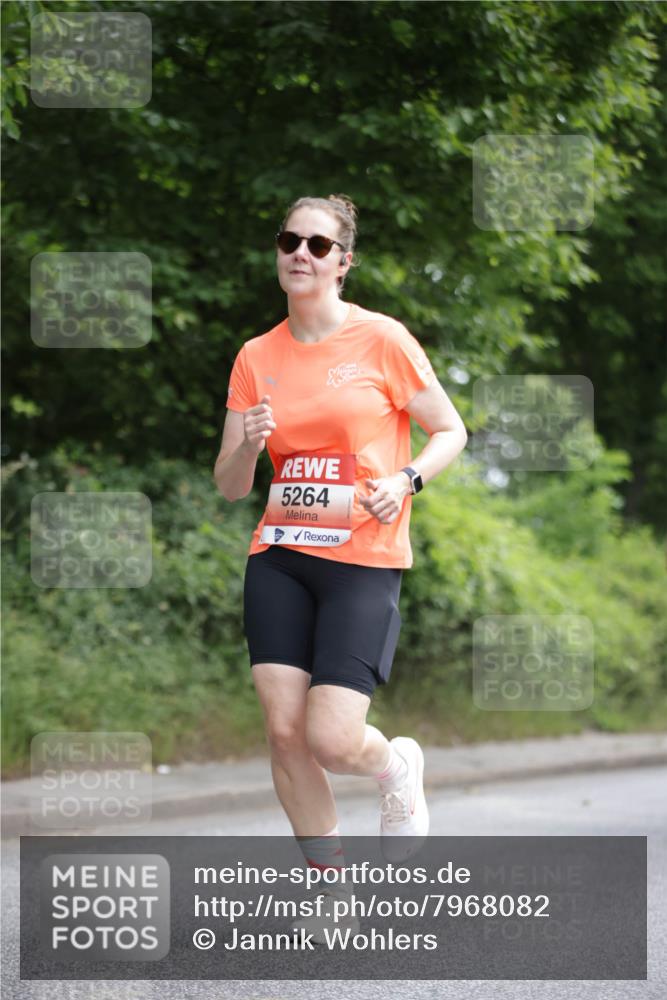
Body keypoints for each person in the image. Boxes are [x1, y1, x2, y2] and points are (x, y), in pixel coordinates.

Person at [213, 194, 467, 937]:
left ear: (342, 261)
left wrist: (406, 480)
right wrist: (247, 445)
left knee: (329, 737)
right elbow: (230, 485)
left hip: (363, 556)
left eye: (318, 245)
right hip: (282, 553)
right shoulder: (255, 356)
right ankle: (330, 889)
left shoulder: (381, 339)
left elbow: (449, 429)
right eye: (289, 240)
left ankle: (394, 770)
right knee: (283, 732)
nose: (300, 253)